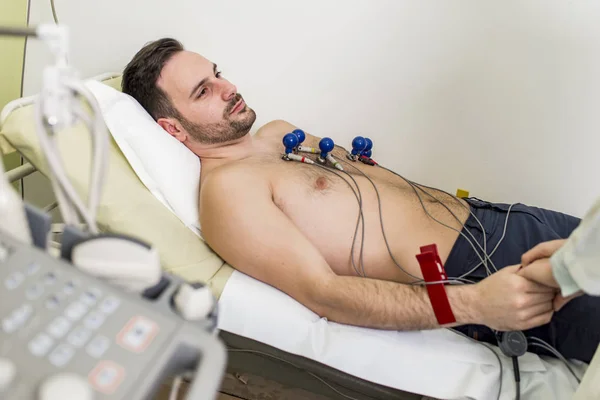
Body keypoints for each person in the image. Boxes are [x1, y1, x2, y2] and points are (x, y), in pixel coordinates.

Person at [121, 38, 599, 363]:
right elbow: (324, 293)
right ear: (173, 129)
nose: (229, 88)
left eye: (218, 74)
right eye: (204, 91)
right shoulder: (227, 194)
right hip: (483, 272)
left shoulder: (279, 133)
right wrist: (475, 303)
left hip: (507, 219)